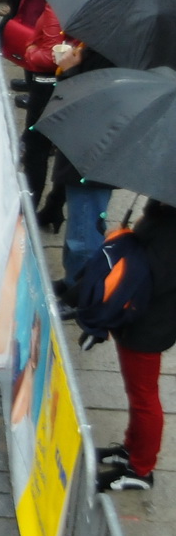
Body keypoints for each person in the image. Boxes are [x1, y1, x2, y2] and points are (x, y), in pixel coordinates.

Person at [95, 201, 176, 492]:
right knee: (136, 391)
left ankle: (142, 469)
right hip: (139, 318)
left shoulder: (170, 228)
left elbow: (157, 276)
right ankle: (131, 448)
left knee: (144, 396)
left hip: (150, 322)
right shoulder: (163, 212)